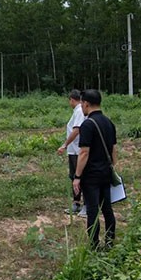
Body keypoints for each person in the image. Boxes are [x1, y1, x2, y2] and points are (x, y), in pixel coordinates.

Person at [71, 89, 116, 249]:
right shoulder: (109, 123)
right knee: (107, 209)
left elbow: (84, 153)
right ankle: (110, 243)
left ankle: (94, 246)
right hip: (106, 172)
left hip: (91, 176)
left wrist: (77, 176)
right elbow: (113, 151)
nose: (81, 107)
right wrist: (111, 167)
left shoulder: (88, 125)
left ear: (86, 103)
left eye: (82, 103)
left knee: (92, 211)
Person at [57, 89, 86, 217]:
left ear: (72, 100)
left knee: (80, 177)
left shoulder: (79, 111)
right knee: (74, 176)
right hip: (74, 150)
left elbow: (76, 130)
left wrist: (64, 145)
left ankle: (85, 205)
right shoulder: (78, 111)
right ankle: (76, 203)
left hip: (77, 150)